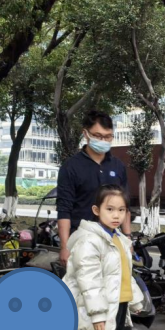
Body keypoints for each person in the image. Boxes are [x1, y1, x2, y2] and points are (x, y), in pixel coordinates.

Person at [63, 185, 143, 330]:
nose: (116, 215)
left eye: (121, 210)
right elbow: (89, 280)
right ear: (96, 210)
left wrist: (135, 301)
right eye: (110, 209)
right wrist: (98, 315)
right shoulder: (89, 240)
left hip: (118, 304)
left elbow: (125, 273)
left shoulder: (120, 239)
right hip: (96, 308)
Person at [56, 110, 130, 267]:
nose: (103, 140)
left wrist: (128, 237)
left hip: (113, 242)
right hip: (81, 242)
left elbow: (125, 207)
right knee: (84, 287)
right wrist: (64, 247)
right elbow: (64, 209)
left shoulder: (118, 166)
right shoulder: (71, 167)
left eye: (108, 136)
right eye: (97, 136)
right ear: (86, 134)